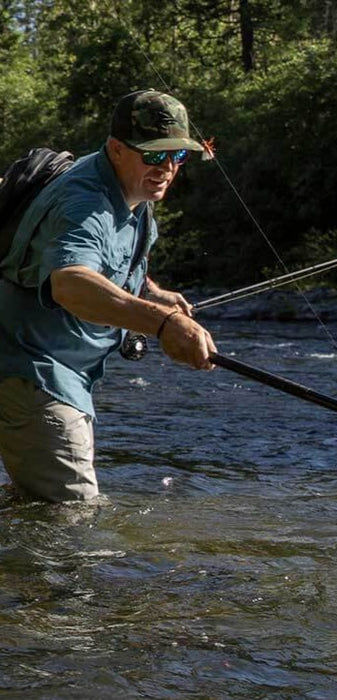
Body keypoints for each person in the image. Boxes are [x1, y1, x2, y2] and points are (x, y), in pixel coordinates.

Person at [0, 89, 217, 503]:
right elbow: (71, 282)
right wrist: (163, 323)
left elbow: (109, 260)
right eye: (154, 155)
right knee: (71, 514)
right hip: (31, 368)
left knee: (34, 504)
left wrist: (152, 293)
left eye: (179, 156)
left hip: (57, 371)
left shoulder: (130, 190)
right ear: (117, 149)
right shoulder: (86, 202)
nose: (167, 168)